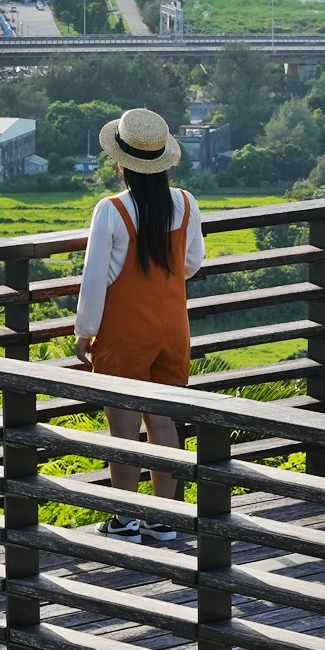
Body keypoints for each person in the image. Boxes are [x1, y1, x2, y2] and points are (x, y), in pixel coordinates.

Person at [74, 108, 204, 542]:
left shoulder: (111, 210)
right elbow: (191, 264)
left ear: (121, 162)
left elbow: (95, 278)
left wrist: (85, 330)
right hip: (173, 329)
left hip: (125, 331)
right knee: (164, 424)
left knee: (123, 428)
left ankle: (126, 519)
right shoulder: (185, 202)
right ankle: (164, 518)